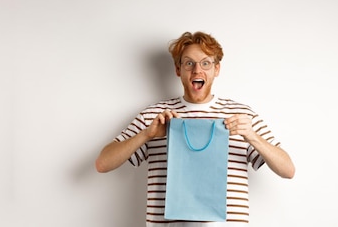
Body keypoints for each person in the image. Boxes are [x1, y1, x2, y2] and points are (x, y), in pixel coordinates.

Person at [95, 31, 295, 226]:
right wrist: (147, 134)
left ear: (217, 69)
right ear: (178, 69)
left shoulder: (241, 114)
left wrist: (252, 136)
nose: (197, 71)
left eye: (206, 63)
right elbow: (103, 163)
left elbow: (288, 170)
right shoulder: (156, 116)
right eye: (189, 63)